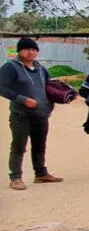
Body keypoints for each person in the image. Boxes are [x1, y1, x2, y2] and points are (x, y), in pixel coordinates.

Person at [0, 37, 63, 191]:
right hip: (21, 114)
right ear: (19, 51)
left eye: (34, 49)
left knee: (40, 146)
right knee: (19, 146)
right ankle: (15, 177)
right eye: (27, 49)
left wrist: (60, 95)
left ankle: (40, 173)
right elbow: (2, 88)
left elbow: (50, 85)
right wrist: (22, 99)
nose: (31, 52)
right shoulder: (10, 67)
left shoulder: (41, 68)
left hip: (41, 114)